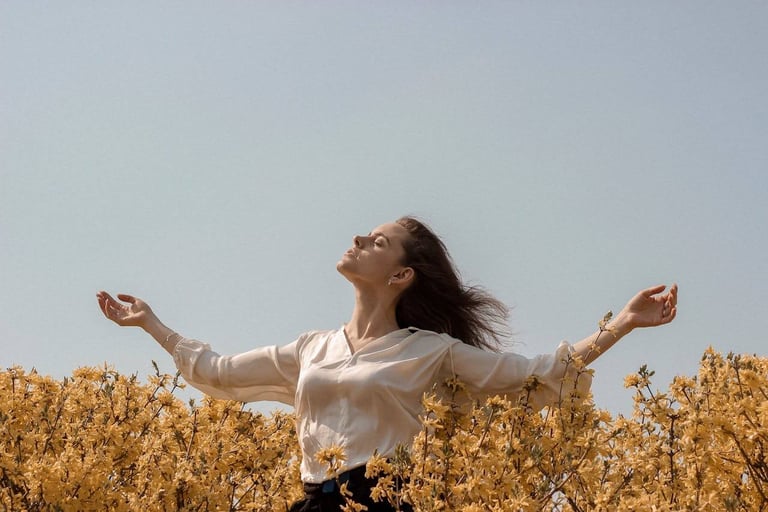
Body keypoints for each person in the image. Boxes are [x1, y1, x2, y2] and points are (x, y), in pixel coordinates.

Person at [97, 216, 678, 512]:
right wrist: (151, 323)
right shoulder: (310, 349)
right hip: (315, 500)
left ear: (401, 276)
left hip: (390, 501)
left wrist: (622, 323)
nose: (359, 238)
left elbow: (536, 372)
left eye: (377, 241)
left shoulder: (431, 351)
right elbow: (216, 373)